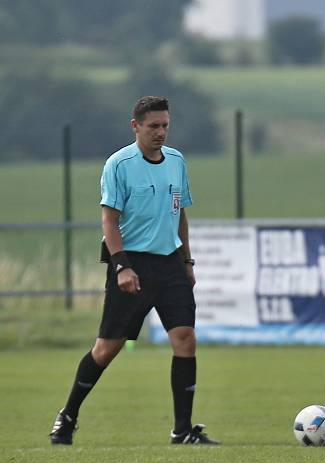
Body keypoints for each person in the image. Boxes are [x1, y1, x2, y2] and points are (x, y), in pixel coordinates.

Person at [49, 96, 217, 445]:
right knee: (106, 349)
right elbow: (109, 220)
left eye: (165, 125)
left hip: (170, 264)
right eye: (153, 126)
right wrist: (121, 266)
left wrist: (187, 261)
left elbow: (180, 214)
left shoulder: (176, 161)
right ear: (135, 126)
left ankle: (183, 430)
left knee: (185, 339)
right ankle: (67, 417)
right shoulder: (119, 164)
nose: (160, 132)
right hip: (132, 264)